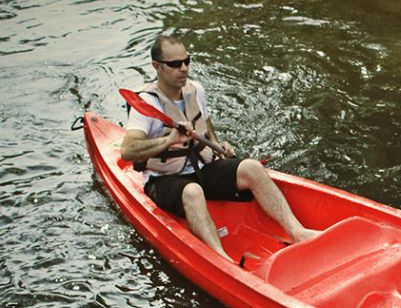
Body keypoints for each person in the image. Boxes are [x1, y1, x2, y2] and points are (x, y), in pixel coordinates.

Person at [120, 35, 319, 261]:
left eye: (187, 61)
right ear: (157, 66)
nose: (184, 68)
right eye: (175, 64)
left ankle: (297, 231)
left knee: (252, 168)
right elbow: (128, 150)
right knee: (193, 192)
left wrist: (219, 145)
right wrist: (169, 140)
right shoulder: (147, 104)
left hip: (201, 168)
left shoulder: (196, 90)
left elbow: (206, 126)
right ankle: (221, 258)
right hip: (164, 177)